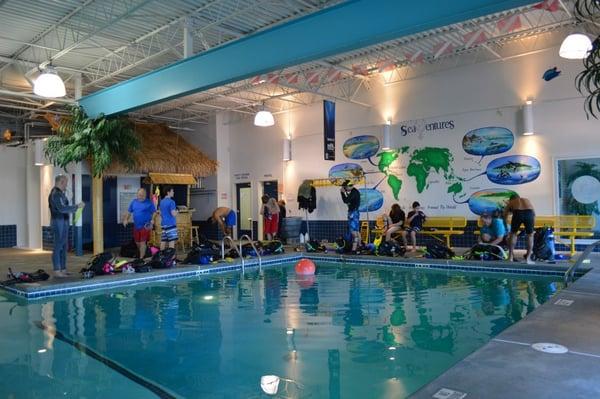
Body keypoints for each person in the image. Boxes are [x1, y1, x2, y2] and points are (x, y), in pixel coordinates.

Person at [48, 174, 84, 277]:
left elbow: (65, 207)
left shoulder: (61, 194)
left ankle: (63, 269)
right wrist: (76, 206)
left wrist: (73, 205)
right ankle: (56, 270)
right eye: (66, 183)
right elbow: (62, 209)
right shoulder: (55, 194)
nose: (67, 185)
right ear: (61, 182)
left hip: (64, 221)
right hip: (58, 222)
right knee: (58, 246)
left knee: (64, 246)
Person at [123, 188, 156, 258]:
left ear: (145, 195)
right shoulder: (134, 202)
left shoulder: (149, 202)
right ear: (137, 195)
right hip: (136, 226)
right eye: (139, 195)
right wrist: (126, 219)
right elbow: (129, 212)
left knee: (142, 242)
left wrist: (152, 220)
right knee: (137, 242)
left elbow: (154, 212)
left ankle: (141, 258)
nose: (141, 196)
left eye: (142, 195)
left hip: (145, 226)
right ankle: (145, 252)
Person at [504, 193, 536, 264]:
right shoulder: (526, 200)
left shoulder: (511, 202)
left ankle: (510, 257)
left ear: (511, 199)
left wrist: (506, 226)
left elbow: (505, 215)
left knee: (513, 234)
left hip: (517, 213)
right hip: (529, 213)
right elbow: (534, 214)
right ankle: (528, 259)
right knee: (530, 235)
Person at [340, 180, 361, 252]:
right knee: (356, 231)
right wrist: (344, 192)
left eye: (345, 187)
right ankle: (359, 246)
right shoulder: (354, 192)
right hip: (355, 212)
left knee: (353, 231)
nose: (345, 189)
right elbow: (348, 200)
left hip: (353, 213)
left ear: (349, 186)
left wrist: (342, 193)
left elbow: (346, 200)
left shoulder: (354, 192)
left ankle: (354, 249)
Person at [159, 185, 178, 250]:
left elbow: (160, 213)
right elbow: (173, 214)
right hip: (170, 224)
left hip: (163, 224)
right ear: (168, 192)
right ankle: (171, 257)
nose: (174, 192)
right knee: (171, 241)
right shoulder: (171, 202)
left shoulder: (161, 201)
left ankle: (161, 256)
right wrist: (177, 211)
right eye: (172, 191)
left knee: (163, 241)